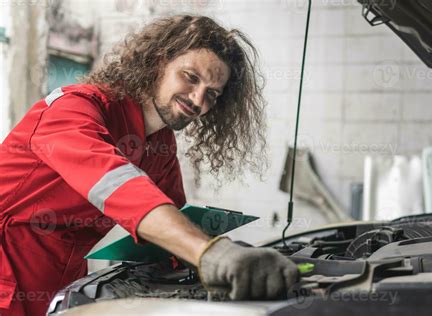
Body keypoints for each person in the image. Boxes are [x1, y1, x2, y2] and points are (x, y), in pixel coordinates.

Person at [0, 15, 298, 316]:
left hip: (64, 277)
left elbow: (175, 217)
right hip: (7, 270)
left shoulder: (160, 143)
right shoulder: (73, 109)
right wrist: (209, 254)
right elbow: (118, 185)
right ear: (158, 62)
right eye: (190, 77)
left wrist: (223, 255)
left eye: (212, 94)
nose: (198, 99)